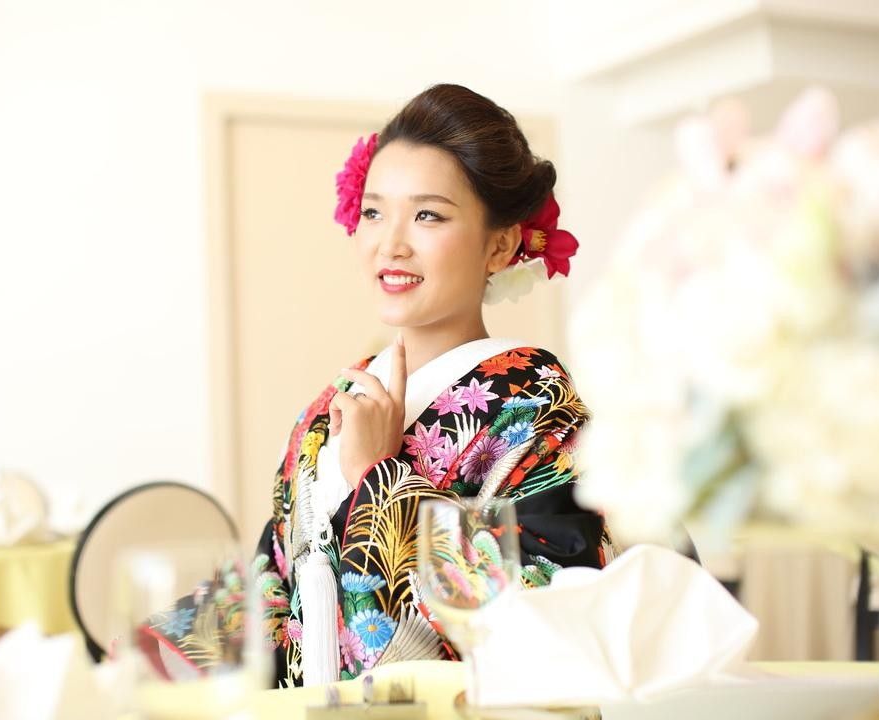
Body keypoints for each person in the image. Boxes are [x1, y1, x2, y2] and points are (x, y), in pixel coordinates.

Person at [154, 83, 613, 688]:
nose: (390, 244)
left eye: (428, 215)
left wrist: (377, 476)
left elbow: (549, 608)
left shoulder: (537, 403)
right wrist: (154, 660)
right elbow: (279, 577)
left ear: (499, 245)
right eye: (374, 212)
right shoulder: (337, 403)